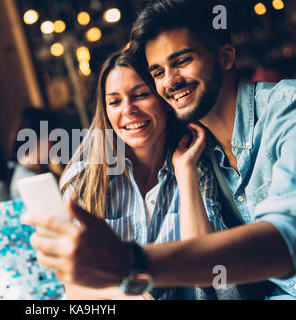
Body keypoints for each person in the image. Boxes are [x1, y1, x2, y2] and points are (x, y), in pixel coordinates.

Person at [22, 0, 296, 300]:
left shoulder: (286, 111)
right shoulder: (202, 154)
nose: (171, 81)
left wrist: (132, 263)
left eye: (182, 61)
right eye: (158, 72)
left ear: (226, 56)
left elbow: (285, 240)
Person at [58, 50, 227, 300]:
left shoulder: (196, 167)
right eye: (115, 101)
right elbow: (71, 283)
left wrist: (185, 171)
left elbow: (205, 272)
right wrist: (126, 296)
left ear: (165, 101)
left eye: (141, 95)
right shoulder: (84, 180)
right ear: (106, 112)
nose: (129, 110)